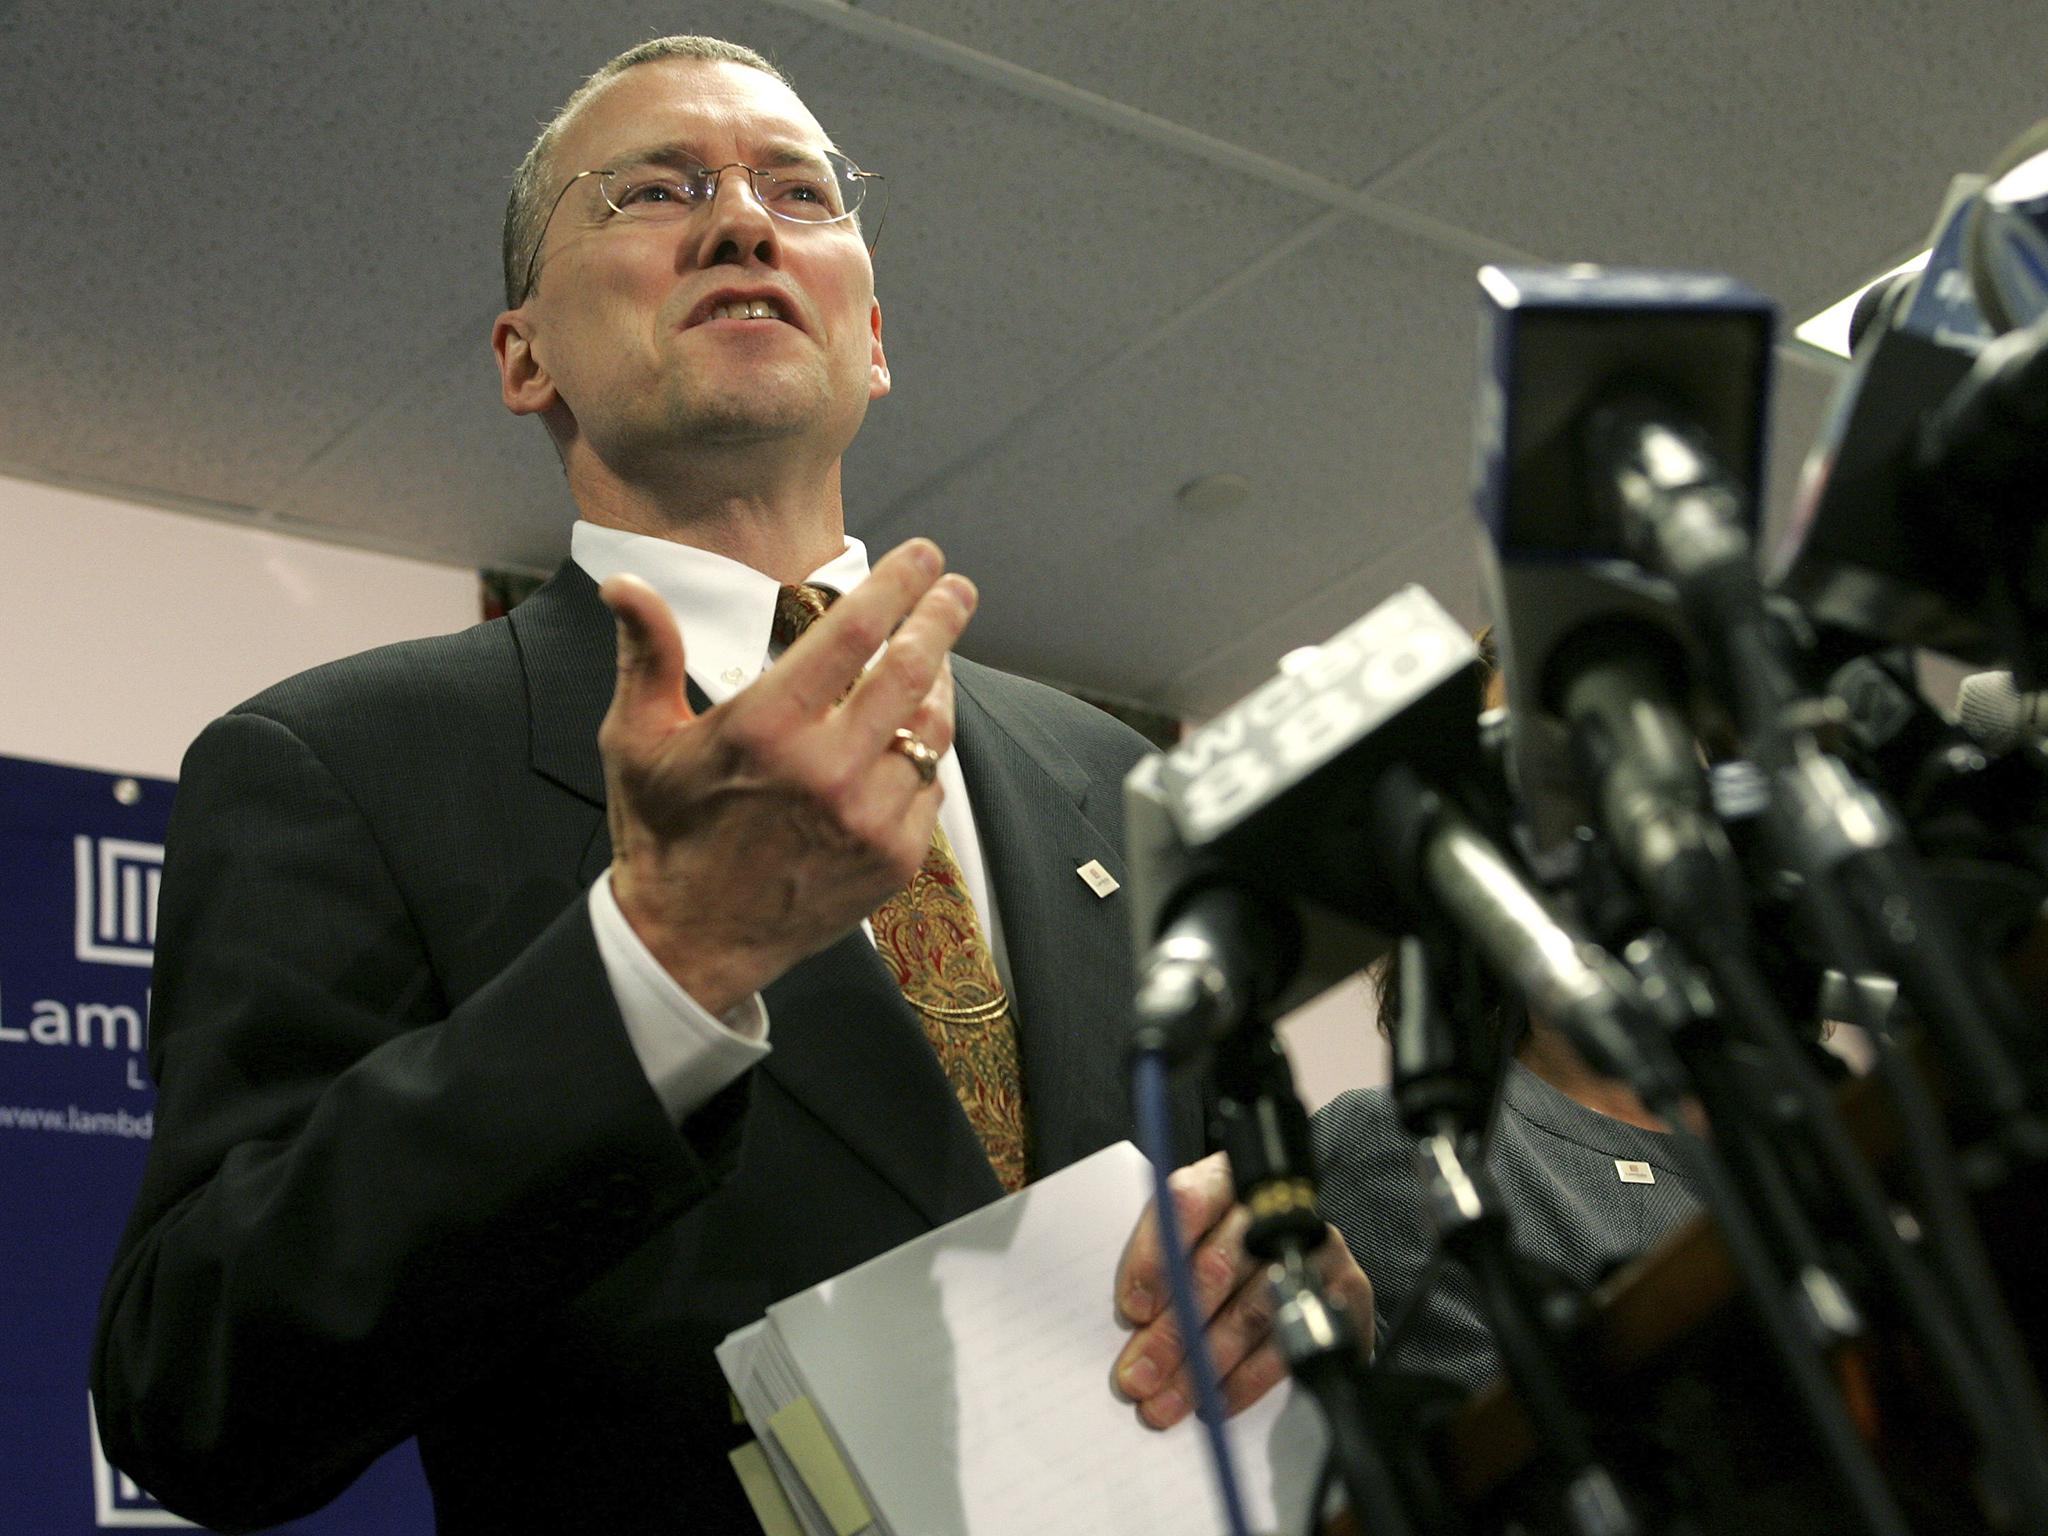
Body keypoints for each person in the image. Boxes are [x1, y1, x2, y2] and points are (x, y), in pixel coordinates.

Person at [91, 35, 1368, 1534]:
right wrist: (662, 969)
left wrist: (1298, 1279)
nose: (743, 221)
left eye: (799, 191)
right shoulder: (340, 766)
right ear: (525, 359)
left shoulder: (1107, 770)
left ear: (872, 339)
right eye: (651, 192)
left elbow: (1234, 1221)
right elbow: (197, 1390)